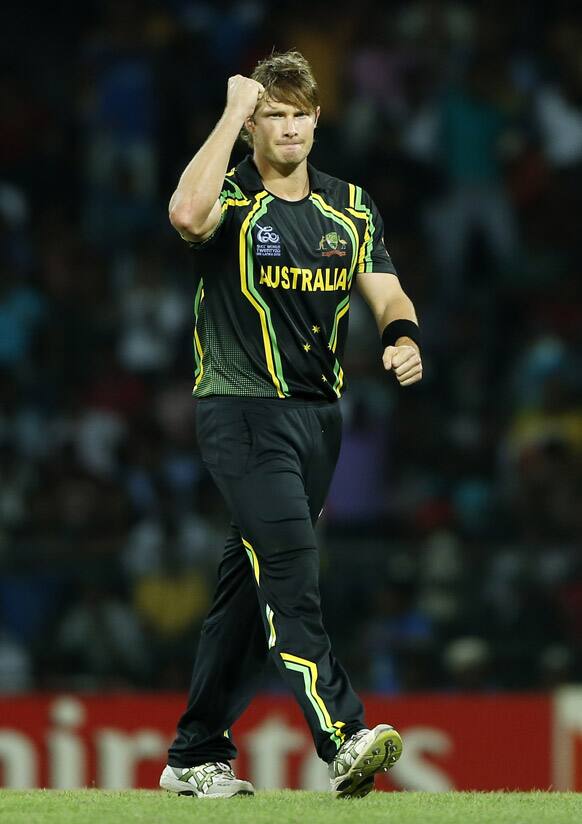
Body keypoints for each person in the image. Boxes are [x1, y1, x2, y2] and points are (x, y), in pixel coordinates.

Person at [159, 51, 422, 799]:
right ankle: (342, 736)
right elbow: (184, 215)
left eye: (299, 112)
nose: (289, 127)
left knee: (246, 590)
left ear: (317, 119)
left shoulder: (350, 205)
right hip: (241, 412)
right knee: (291, 573)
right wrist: (230, 111)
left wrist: (404, 338)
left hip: (317, 421)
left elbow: (389, 293)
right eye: (272, 114)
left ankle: (193, 754)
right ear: (252, 127)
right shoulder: (233, 198)